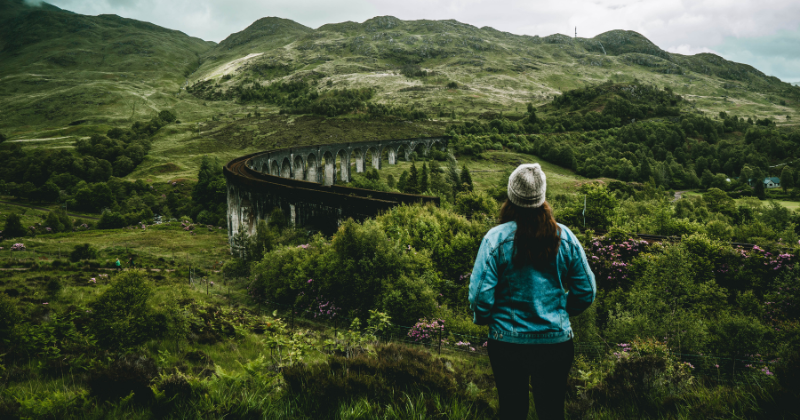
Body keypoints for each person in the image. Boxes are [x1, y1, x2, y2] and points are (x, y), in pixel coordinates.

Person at [469, 163, 596, 420]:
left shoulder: (495, 240)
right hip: (556, 344)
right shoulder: (566, 238)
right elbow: (586, 291)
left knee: (512, 412)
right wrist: (560, 312)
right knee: (551, 413)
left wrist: (486, 320)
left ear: (511, 197)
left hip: (507, 344)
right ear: (543, 197)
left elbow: (480, 296)